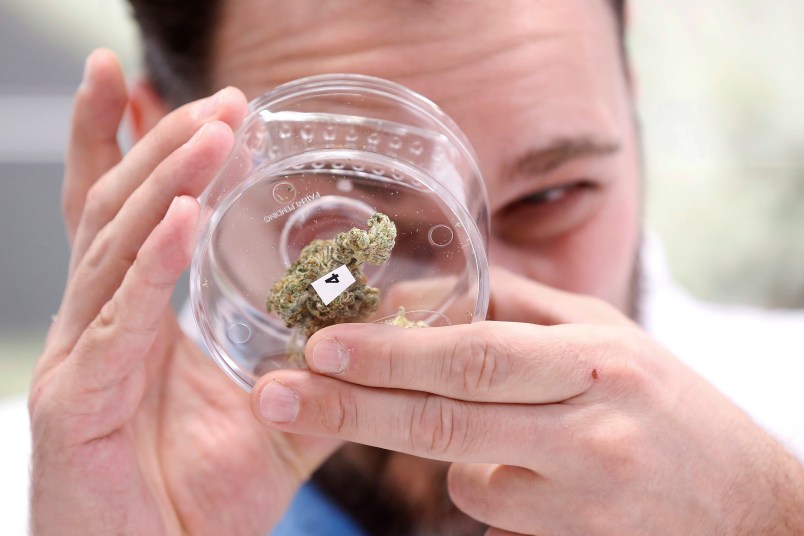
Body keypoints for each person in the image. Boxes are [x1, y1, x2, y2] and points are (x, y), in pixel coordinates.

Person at [27, 0, 804, 534]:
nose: (473, 312)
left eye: (553, 196)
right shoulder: (46, 494)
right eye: (378, 224)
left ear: (630, 102)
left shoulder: (784, 434)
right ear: (168, 159)